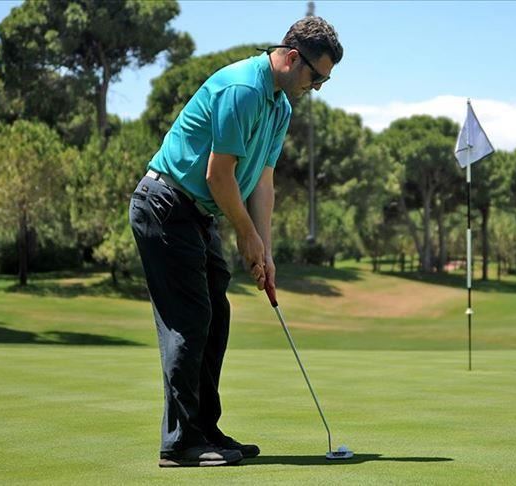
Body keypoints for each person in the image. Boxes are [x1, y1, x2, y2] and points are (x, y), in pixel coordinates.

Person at [129, 17, 343, 468]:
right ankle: (179, 444)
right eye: (316, 78)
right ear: (291, 58)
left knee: (216, 318)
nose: (317, 88)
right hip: (165, 203)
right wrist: (245, 234)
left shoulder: (281, 107)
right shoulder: (243, 89)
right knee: (191, 320)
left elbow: (262, 182)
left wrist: (265, 248)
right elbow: (218, 175)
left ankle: (204, 430)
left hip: (197, 213)